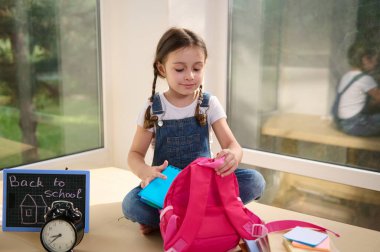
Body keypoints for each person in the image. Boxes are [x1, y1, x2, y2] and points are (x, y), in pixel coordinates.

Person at [122, 27, 266, 235]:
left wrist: (233, 156)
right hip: (168, 189)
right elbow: (134, 155)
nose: (190, 76)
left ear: (204, 66)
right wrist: (144, 172)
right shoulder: (152, 109)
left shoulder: (208, 103)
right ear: (162, 69)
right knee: (130, 205)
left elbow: (233, 145)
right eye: (180, 69)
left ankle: (171, 220)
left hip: (204, 185)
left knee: (255, 181)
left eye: (197, 68)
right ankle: (202, 216)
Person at [332, 40, 380, 136]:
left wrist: (373, 104)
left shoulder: (346, 76)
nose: (376, 64)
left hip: (342, 124)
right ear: (366, 59)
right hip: (356, 125)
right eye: (376, 60)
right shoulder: (365, 79)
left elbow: (354, 103)